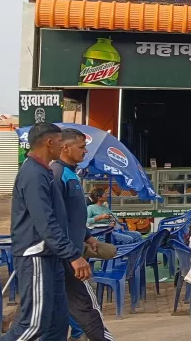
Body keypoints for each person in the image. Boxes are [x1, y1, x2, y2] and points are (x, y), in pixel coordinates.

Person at [2, 122, 91, 341]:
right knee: (32, 325)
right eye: (61, 141)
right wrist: (73, 255)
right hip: (36, 256)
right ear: (50, 142)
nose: (62, 147)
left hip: (51, 256)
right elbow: (45, 222)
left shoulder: (45, 171)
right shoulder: (33, 174)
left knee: (56, 323)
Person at [52, 128, 113, 341]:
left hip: (72, 250)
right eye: (81, 146)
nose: (85, 151)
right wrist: (72, 254)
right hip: (68, 254)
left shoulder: (71, 174)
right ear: (65, 147)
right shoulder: (57, 175)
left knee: (64, 306)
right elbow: (55, 219)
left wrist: (88, 236)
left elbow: (73, 215)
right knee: (87, 305)